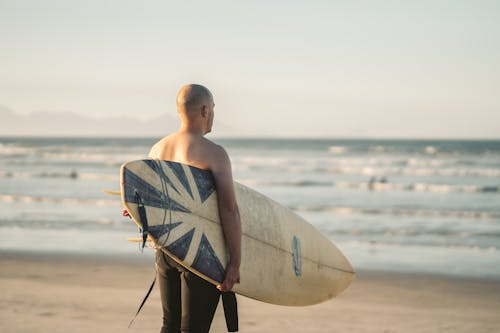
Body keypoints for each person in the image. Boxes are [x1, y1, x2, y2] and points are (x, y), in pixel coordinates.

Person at [148, 84, 242, 333]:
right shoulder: (214, 153)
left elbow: (151, 203)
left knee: (170, 325)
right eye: (213, 108)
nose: (213, 114)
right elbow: (229, 209)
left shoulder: (158, 149)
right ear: (204, 110)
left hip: (166, 251)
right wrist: (235, 263)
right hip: (200, 252)